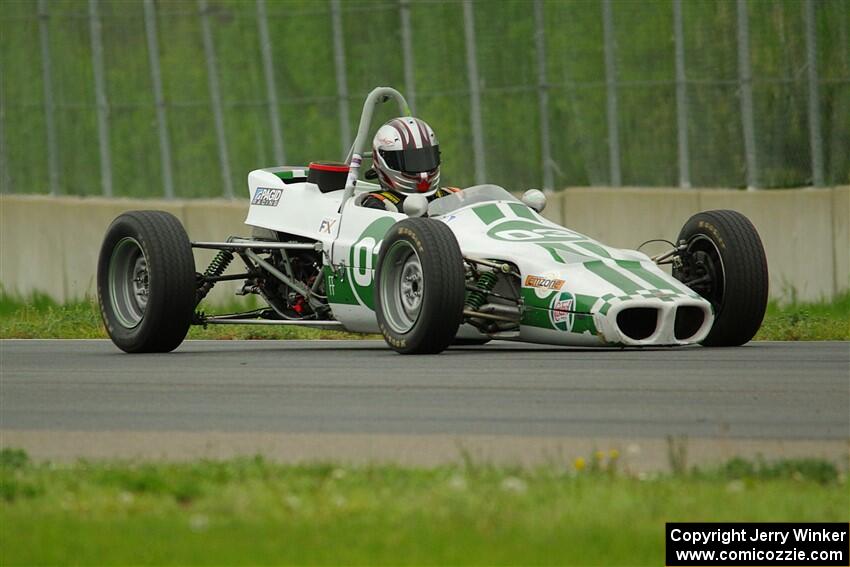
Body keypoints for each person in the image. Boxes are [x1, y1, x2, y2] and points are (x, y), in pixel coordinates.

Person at [361, 117, 460, 212]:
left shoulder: (452, 195)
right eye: (411, 161)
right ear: (383, 161)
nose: (422, 173)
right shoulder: (377, 204)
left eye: (424, 159)